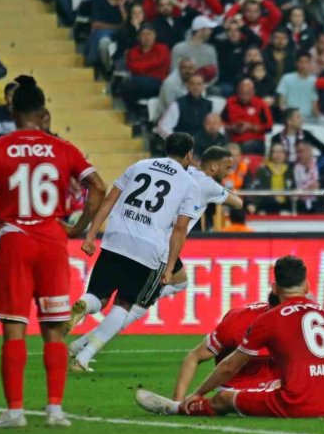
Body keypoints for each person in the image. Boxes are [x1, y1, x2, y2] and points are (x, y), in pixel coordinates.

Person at [0, 77, 105, 428]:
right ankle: (55, 410)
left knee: (14, 329)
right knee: (54, 330)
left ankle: (15, 412)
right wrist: (79, 226)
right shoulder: (62, 147)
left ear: (13, 111)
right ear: (43, 113)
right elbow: (97, 186)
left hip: (16, 239)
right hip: (52, 239)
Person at [135, 256, 324, 417]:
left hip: (294, 402)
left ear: (274, 287)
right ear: (308, 284)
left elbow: (228, 367)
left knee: (223, 398)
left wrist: (197, 394)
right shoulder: (323, 314)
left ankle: (179, 409)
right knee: (323, 379)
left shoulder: (267, 320)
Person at [68, 144, 243, 369]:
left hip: (127, 236)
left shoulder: (173, 171)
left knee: (180, 283)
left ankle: (81, 342)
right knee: (130, 304)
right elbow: (237, 202)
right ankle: (85, 351)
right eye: (227, 167)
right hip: (160, 248)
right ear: (214, 165)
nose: (229, 172)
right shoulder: (205, 184)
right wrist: (227, 190)